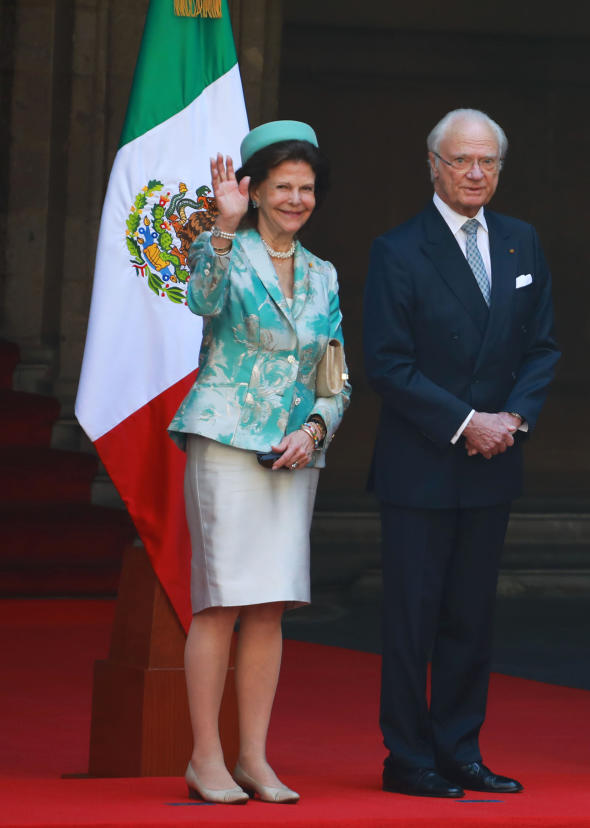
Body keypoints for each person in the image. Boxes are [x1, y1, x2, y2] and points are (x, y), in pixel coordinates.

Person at [363, 108, 559, 799]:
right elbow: (386, 363)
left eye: (488, 163)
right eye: (461, 161)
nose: (475, 174)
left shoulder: (521, 242)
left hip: (494, 460)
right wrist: (466, 420)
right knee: (413, 621)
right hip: (423, 463)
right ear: (433, 165)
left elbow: (542, 346)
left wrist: (514, 419)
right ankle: (407, 758)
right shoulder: (398, 249)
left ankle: (459, 750)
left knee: (471, 620)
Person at [168, 120, 350, 804]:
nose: (296, 200)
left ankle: (253, 758)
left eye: (306, 189)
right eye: (282, 187)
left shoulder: (324, 274)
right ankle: (204, 759)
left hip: (292, 455)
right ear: (255, 189)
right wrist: (221, 227)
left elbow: (337, 376)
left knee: (270, 606)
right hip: (225, 443)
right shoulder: (226, 253)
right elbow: (200, 301)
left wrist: (315, 429)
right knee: (220, 603)